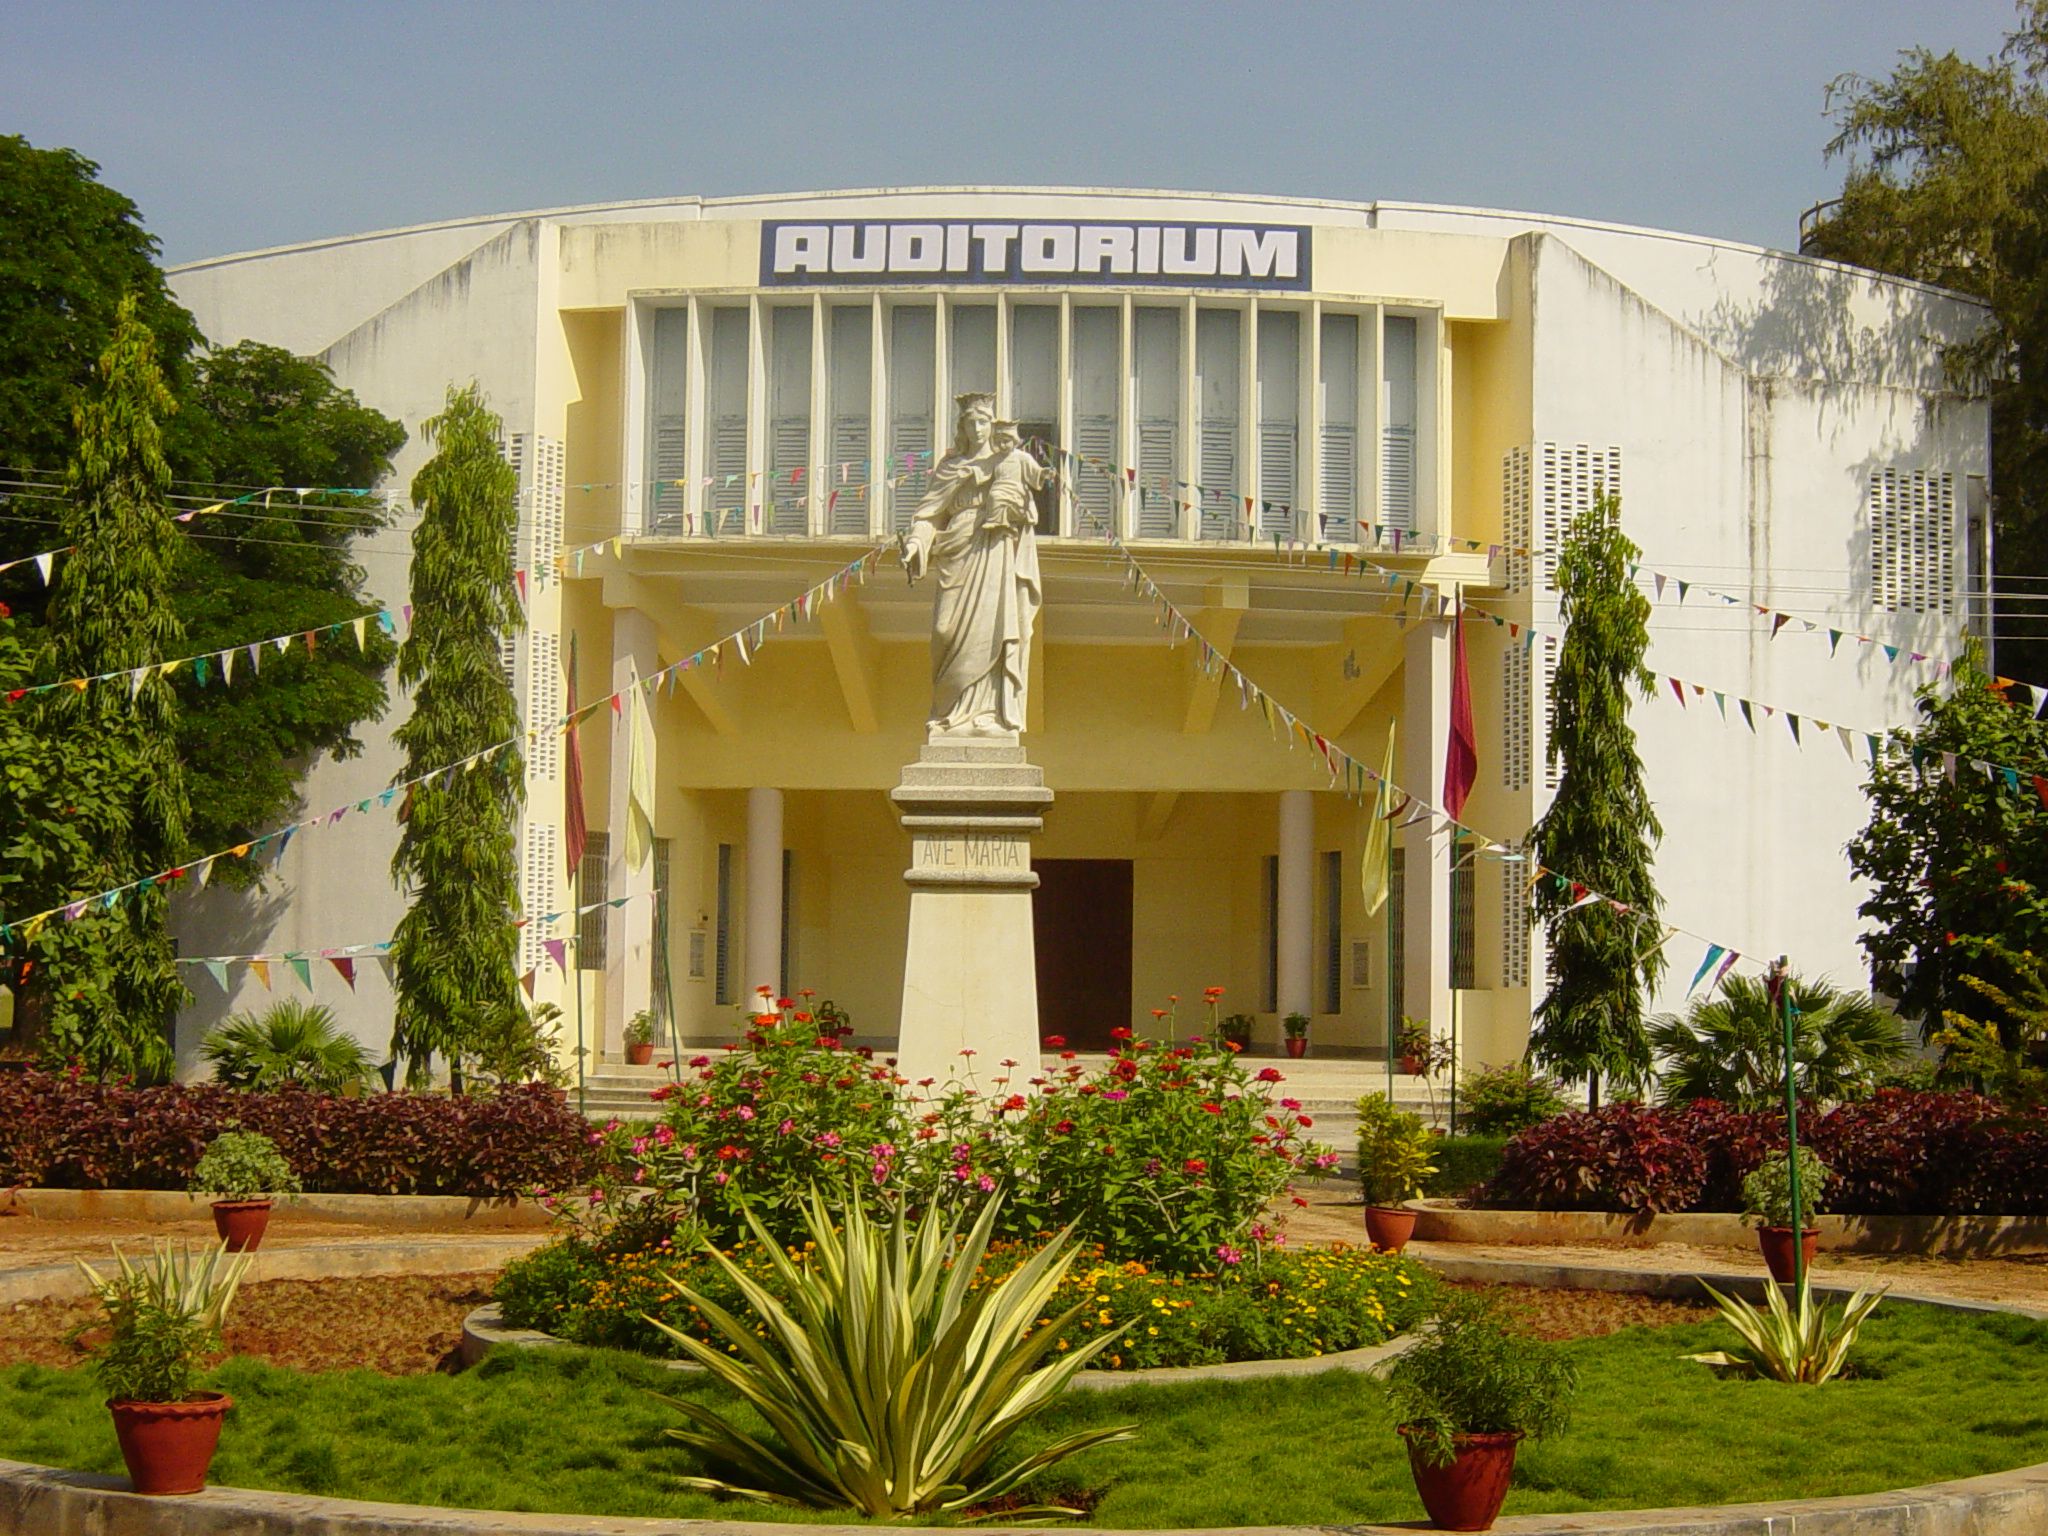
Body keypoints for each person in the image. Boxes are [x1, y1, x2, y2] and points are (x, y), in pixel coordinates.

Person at [900, 393, 1046, 738]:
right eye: (971, 422)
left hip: (994, 549)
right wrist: (915, 544)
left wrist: (1015, 508)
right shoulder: (951, 467)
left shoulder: (1007, 461)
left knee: (994, 628)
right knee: (944, 630)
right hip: (957, 549)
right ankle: (950, 712)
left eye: (984, 421)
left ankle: (988, 713)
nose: (978, 428)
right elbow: (928, 514)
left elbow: (1026, 505)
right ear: (961, 427)